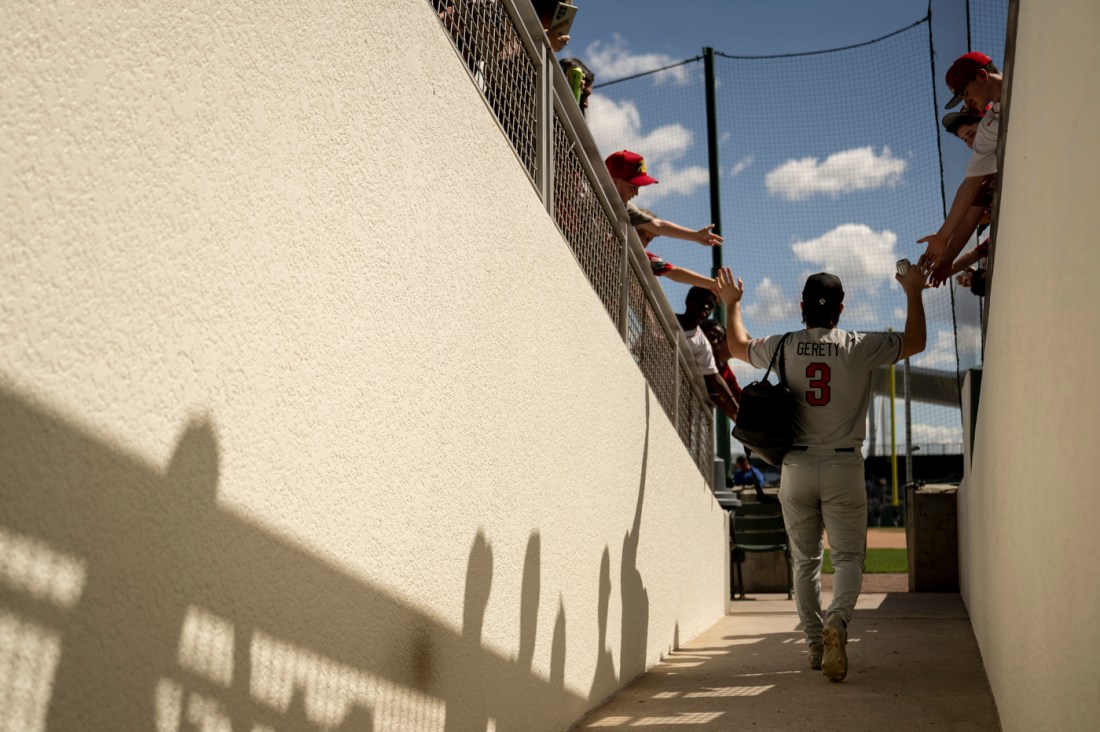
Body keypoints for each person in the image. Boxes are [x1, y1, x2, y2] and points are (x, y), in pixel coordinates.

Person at [716, 263, 929, 682]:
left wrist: (732, 304)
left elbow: (736, 346)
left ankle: (815, 644)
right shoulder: (858, 345)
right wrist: (913, 292)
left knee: (805, 562)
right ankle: (838, 623)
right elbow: (917, 342)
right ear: (841, 308)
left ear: (801, 308)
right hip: (844, 463)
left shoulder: (784, 345)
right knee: (848, 557)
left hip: (794, 466)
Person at [918, 52, 1004, 277]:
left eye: (965, 93)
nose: (966, 102)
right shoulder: (989, 126)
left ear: (982, 76)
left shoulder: (1029, 77)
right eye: (964, 139)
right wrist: (943, 242)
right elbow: (969, 191)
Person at [605, 150, 724, 248]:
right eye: (633, 187)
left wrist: (695, 236)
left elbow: (658, 225)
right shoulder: (587, 193)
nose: (636, 193)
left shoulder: (625, 207)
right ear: (613, 181)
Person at [676, 287, 738, 422]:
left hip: (675, 395)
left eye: (710, 305)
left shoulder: (702, 344)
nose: (706, 307)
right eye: (701, 301)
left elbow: (713, 377)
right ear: (688, 301)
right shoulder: (667, 317)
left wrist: (736, 409)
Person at [637, 209, 719, 292]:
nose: (642, 240)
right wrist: (695, 236)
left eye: (648, 239)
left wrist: (712, 284)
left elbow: (674, 273)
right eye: (640, 232)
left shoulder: (646, 258)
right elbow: (658, 226)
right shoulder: (625, 220)